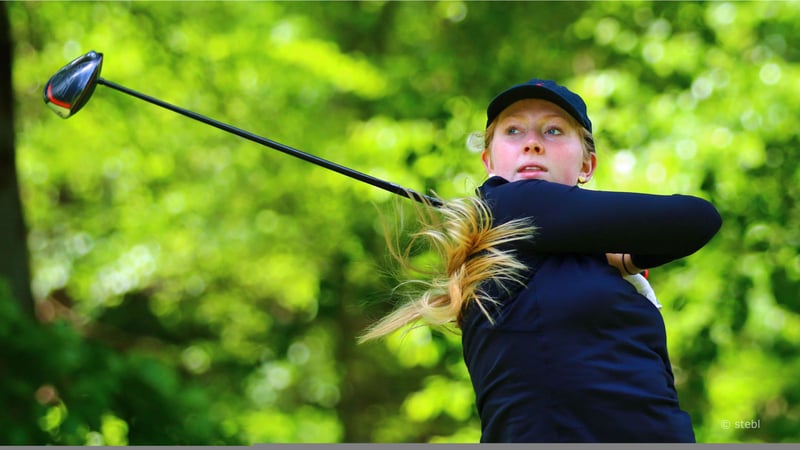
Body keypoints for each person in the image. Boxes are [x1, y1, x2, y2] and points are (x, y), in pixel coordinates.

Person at [359, 78, 722, 443]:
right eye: (513, 130)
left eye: (553, 130)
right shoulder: (516, 204)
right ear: (489, 162)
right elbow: (697, 218)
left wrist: (621, 260)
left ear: (587, 164)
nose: (532, 143)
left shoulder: (567, 248)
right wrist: (627, 256)